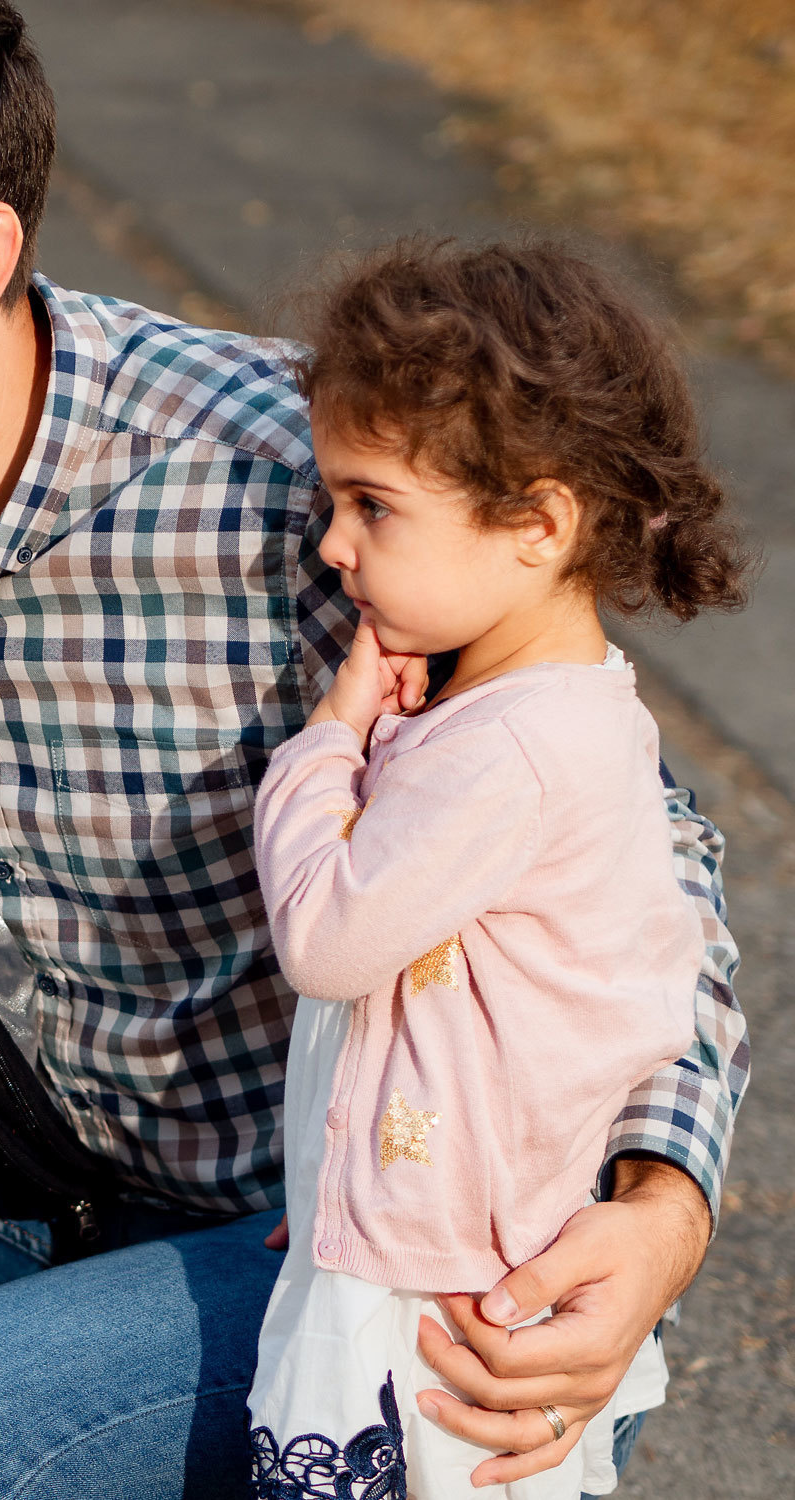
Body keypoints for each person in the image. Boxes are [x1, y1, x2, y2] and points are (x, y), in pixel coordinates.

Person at [0, 3, 747, 1497]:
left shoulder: (298, 478)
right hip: (32, 1160)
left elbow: (643, 852)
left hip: (328, 1243)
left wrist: (662, 1210)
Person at [243, 240, 749, 1499]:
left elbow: (325, 937)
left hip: (433, 1299)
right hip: (425, 1242)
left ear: (535, 521)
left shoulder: (516, 749)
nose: (331, 550)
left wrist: (323, 742)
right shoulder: (528, 713)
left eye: (370, 505)